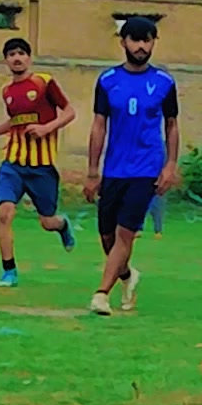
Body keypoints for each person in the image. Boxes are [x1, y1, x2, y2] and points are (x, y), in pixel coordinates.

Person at [84, 17, 180, 316]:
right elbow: (99, 126)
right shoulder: (107, 80)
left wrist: (170, 165)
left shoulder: (164, 82)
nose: (141, 46)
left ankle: (101, 294)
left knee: (125, 234)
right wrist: (92, 171)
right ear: (123, 42)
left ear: (153, 43)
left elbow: (172, 125)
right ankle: (127, 275)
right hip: (114, 169)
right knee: (107, 237)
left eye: (147, 40)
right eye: (135, 40)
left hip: (146, 169)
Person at [0, 37, 77, 286]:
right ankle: (9, 271)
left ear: (29, 57)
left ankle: (62, 226)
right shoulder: (7, 91)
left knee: (47, 222)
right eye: (11, 54)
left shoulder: (44, 82)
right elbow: (14, 122)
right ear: (5, 60)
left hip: (42, 167)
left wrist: (46, 128)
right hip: (13, 164)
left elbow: (70, 111)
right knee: (4, 213)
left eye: (21, 53)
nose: (16, 58)